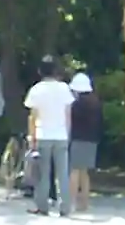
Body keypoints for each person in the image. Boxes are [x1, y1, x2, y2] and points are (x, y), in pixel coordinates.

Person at [24, 56, 76, 216]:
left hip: (43, 134)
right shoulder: (64, 88)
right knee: (62, 173)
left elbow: (33, 117)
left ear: (40, 71)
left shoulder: (36, 89)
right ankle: (65, 207)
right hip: (61, 135)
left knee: (43, 174)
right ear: (56, 70)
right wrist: (67, 134)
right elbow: (68, 114)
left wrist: (32, 137)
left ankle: (42, 206)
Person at [68, 72, 103, 214]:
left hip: (78, 139)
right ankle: (84, 204)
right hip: (92, 140)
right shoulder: (96, 103)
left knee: (74, 171)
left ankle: (71, 202)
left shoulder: (76, 105)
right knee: (84, 172)